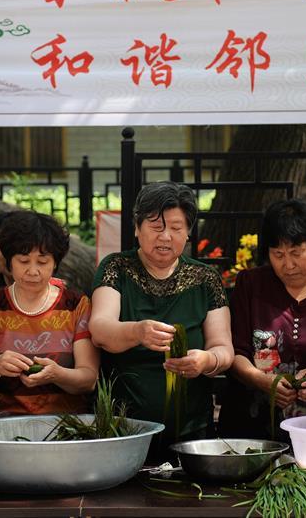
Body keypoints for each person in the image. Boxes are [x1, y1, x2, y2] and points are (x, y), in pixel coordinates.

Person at [89, 181, 234, 454]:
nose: (165, 237)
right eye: (156, 227)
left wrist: (206, 361)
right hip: (124, 429)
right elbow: (100, 330)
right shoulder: (115, 268)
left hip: (191, 432)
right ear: (137, 228)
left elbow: (224, 349)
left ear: (188, 232)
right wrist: (137, 332)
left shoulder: (205, 279)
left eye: (176, 228)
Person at [218, 200, 306, 438]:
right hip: (249, 429)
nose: (288, 264)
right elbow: (235, 351)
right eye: (278, 255)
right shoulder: (251, 285)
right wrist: (262, 380)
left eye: (296, 253)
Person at [0, 211, 97, 416]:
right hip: (0, 428)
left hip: (66, 428)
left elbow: (88, 380)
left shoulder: (76, 305)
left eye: (42, 262)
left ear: (55, 263)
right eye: (24, 261)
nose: (33, 271)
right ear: (8, 262)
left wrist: (57, 374)